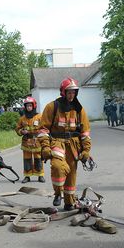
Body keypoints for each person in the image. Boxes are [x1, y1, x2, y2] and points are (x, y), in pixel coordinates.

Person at [38, 77, 91, 211]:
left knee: (72, 175)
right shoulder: (52, 107)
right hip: (57, 142)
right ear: (63, 92)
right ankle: (57, 193)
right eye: (69, 92)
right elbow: (43, 129)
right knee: (58, 167)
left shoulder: (79, 109)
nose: (71, 95)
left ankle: (69, 201)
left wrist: (86, 150)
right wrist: (45, 146)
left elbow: (85, 132)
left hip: (74, 145)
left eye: (74, 92)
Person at [15, 96, 45, 183]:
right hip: (26, 142)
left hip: (37, 142)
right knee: (27, 159)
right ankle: (27, 176)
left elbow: (44, 128)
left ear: (34, 106)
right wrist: (21, 131)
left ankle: (40, 175)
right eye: (27, 106)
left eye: (30, 106)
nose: (29, 107)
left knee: (38, 159)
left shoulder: (39, 116)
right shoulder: (22, 118)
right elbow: (17, 129)